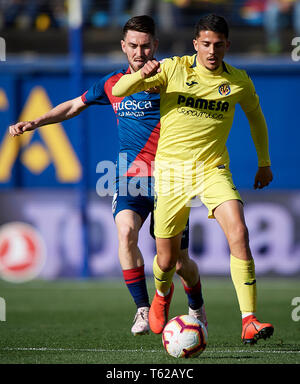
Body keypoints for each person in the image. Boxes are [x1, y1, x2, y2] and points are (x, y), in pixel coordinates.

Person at [8, 15, 207, 336]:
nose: (139, 53)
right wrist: (35, 122)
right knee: (125, 232)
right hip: (130, 176)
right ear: (123, 47)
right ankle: (143, 310)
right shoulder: (112, 84)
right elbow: (73, 106)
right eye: (133, 46)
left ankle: (196, 307)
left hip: (173, 178)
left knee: (178, 262)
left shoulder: (172, 79)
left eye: (145, 46)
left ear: (155, 46)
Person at [112, 13, 274, 344]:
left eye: (218, 45)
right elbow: (119, 88)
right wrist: (143, 74)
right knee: (167, 259)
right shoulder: (172, 69)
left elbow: (256, 118)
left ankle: (249, 320)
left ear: (227, 45)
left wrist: (264, 163)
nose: (212, 51)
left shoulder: (239, 82)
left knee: (239, 231)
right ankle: (160, 295)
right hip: (170, 173)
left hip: (213, 169)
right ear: (195, 44)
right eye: (205, 44)